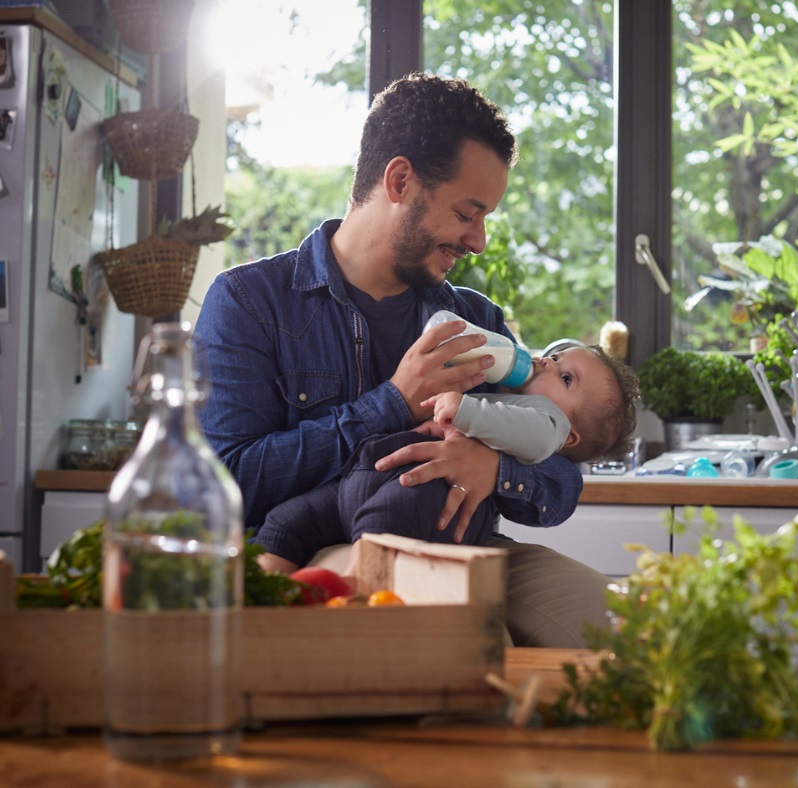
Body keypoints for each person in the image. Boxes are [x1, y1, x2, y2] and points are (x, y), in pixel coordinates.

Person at [194, 71, 620, 646]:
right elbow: (228, 481)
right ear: (400, 181)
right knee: (472, 644)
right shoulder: (250, 301)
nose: (479, 241)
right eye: (468, 213)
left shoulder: (478, 321)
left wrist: (496, 471)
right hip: (305, 542)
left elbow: (562, 475)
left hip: (462, 547)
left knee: (620, 629)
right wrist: (393, 402)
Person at [253, 341, 639, 573]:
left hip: (421, 497)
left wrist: (470, 422)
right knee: (287, 520)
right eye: (554, 356)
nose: (547, 363)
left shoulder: (546, 421)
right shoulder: (505, 384)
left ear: (569, 436)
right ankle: (261, 596)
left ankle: (356, 595)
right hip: (363, 477)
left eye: (565, 377)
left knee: (384, 525)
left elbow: (536, 443)